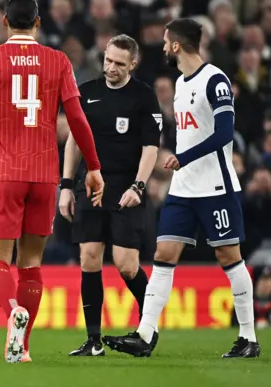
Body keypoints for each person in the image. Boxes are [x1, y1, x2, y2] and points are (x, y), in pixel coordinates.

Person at [0, 0, 104, 363]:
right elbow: (79, 121)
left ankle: (11, 312)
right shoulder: (59, 61)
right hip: (44, 174)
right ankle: (22, 347)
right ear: (38, 23)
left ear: (4, 22)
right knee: (32, 264)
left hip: (4, 172)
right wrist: (94, 166)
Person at [103, 18, 261, 358]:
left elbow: (223, 134)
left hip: (215, 185)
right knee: (163, 255)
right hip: (184, 188)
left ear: (176, 45)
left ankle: (248, 337)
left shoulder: (214, 79)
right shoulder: (179, 83)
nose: (162, 47)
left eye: (165, 41)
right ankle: (145, 335)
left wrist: (182, 157)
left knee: (229, 256)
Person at [59, 34, 161, 356]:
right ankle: (93, 340)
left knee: (126, 264)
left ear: (133, 64)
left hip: (125, 186)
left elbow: (150, 148)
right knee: (89, 258)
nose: (111, 67)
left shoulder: (143, 97)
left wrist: (139, 186)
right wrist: (65, 186)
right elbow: (74, 141)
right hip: (90, 183)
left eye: (119, 63)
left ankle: (148, 328)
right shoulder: (86, 93)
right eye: (108, 59)